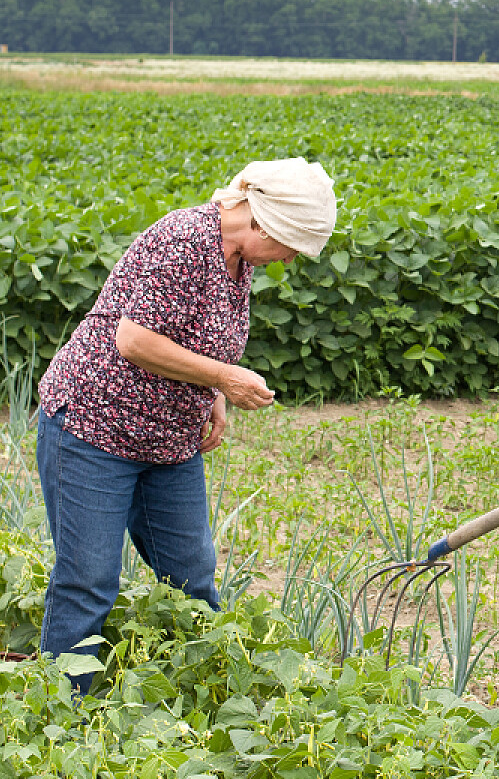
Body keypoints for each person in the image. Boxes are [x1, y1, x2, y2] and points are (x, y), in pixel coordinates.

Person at [36, 157, 337, 691]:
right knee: (88, 582)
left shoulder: (239, 258)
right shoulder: (184, 239)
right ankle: (61, 713)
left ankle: (204, 700)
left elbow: (197, 337)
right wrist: (225, 377)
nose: (288, 259)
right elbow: (135, 340)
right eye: (290, 246)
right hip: (94, 428)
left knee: (192, 578)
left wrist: (212, 393)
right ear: (264, 222)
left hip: (168, 441)